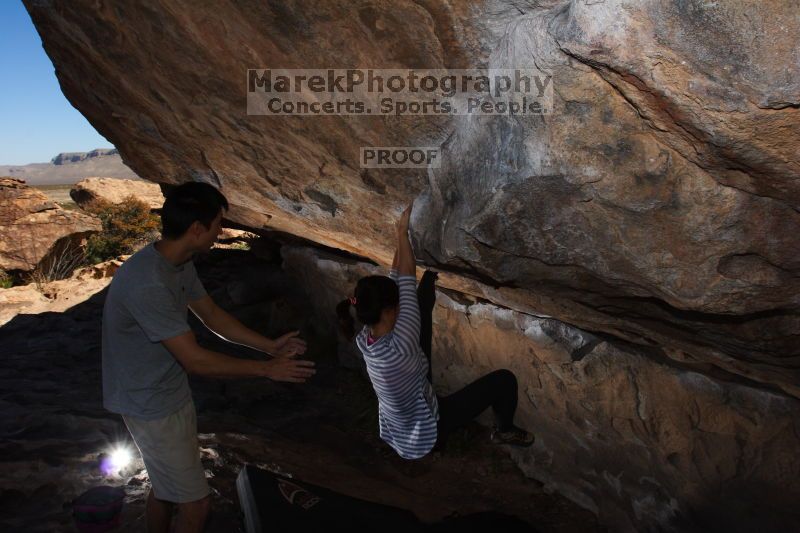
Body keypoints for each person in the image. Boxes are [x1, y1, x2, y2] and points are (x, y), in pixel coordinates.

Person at [102, 182, 315, 533]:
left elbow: (211, 314)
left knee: (166, 488)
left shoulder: (178, 261)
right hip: (150, 404)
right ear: (197, 229)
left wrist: (269, 346)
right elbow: (196, 361)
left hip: (164, 391)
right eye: (218, 223)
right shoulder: (148, 283)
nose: (222, 230)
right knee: (197, 505)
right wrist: (267, 370)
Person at [337, 203, 533, 460]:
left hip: (405, 400)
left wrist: (400, 239)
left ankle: (428, 285)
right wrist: (401, 233)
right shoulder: (403, 341)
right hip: (426, 430)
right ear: (387, 311)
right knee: (505, 381)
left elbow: (396, 278)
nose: (401, 306)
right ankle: (504, 430)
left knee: (420, 317)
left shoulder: (366, 337)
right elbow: (405, 276)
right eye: (397, 305)